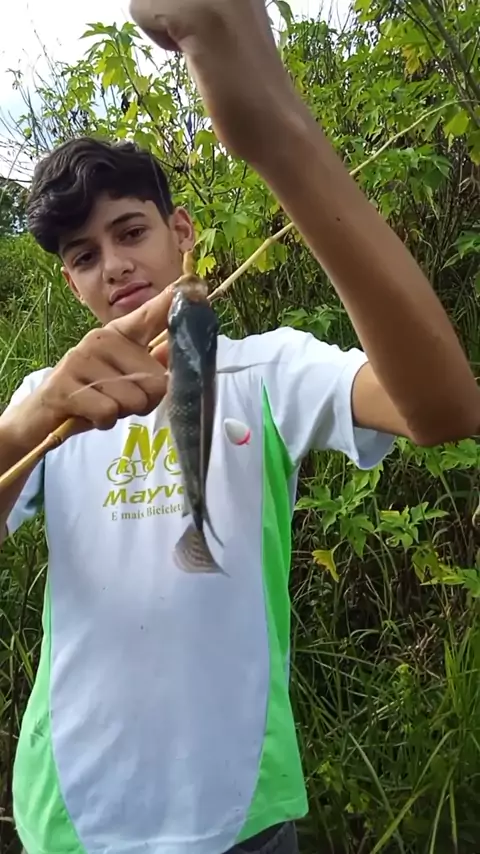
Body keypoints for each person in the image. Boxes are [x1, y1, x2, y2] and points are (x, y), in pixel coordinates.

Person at [1, 1, 479, 853]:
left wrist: (278, 136)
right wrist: (28, 423)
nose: (114, 266)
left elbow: (442, 407)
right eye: (83, 256)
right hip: (71, 816)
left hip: (239, 812)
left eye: (131, 231)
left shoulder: (271, 369)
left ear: (182, 232)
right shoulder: (48, 400)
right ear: (70, 282)